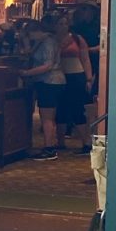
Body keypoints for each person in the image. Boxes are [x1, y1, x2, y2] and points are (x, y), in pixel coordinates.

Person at [19, 16, 66, 160]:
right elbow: (28, 52)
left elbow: (47, 65)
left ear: (35, 31)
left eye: (29, 34)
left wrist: (27, 73)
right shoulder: (42, 41)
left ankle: (49, 148)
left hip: (50, 81)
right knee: (47, 116)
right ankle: (49, 145)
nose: (30, 37)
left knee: (47, 117)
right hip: (48, 81)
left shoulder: (48, 42)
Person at [55, 14, 92, 149]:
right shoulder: (52, 40)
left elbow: (85, 59)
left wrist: (88, 78)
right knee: (60, 109)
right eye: (60, 24)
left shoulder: (77, 38)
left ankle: (86, 142)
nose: (63, 26)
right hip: (59, 76)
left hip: (76, 75)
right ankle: (60, 142)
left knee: (77, 108)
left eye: (65, 23)